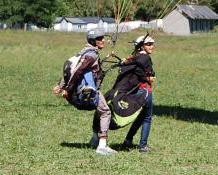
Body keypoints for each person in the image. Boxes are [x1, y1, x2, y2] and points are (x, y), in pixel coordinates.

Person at [53, 28, 116, 156]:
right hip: (87, 90)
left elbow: (72, 67)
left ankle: (94, 140)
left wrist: (60, 85)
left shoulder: (85, 51)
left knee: (101, 111)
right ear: (93, 41)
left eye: (102, 38)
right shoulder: (91, 55)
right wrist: (66, 89)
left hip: (88, 89)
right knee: (105, 111)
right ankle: (102, 146)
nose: (103, 40)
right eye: (99, 39)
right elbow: (76, 71)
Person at [114, 34, 156, 152]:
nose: (151, 46)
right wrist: (147, 78)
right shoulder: (144, 58)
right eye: (148, 44)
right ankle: (143, 146)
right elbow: (139, 70)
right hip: (144, 90)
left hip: (137, 91)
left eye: (152, 44)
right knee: (147, 118)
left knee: (141, 117)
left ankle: (128, 141)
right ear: (141, 46)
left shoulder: (134, 56)